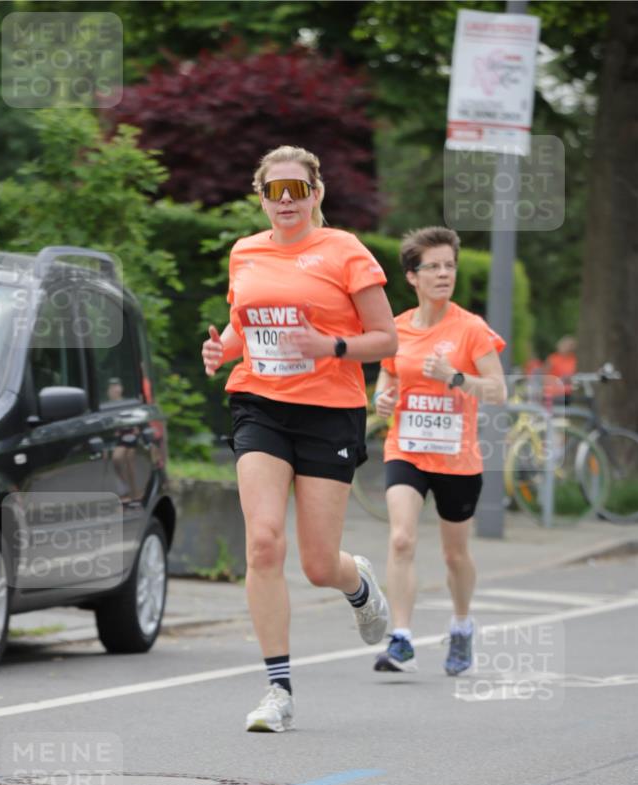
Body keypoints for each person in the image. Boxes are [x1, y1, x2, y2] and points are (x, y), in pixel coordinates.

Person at [201, 145, 397, 732]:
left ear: (316, 194)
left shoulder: (344, 251)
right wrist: (223, 349)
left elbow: (385, 339)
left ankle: (357, 583)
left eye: (296, 190)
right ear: (259, 195)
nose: (285, 201)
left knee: (316, 563)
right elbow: (244, 324)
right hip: (259, 402)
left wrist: (332, 347)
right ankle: (277, 690)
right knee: (263, 543)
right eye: (273, 191)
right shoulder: (245, 252)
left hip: (329, 410)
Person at [372, 226, 506, 677]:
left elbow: (498, 391)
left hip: (456, 457)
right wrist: (383, 398)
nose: (444, 274)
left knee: (455, 555)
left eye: (450, 265)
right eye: (434, 266)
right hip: (406, 448)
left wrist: (456, 377)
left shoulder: (470, 329)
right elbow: (387, 377)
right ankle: (402, 638)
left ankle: (462, 624)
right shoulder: (397, 328)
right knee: (401, 537)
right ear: (413, 276)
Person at [543, 336, 577, 407]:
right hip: (554, 393)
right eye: (566, 345)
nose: (568, 348)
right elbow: (545, 375)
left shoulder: (573, 359)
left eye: (571, 346)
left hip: (568, 393)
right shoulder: (553, 359)